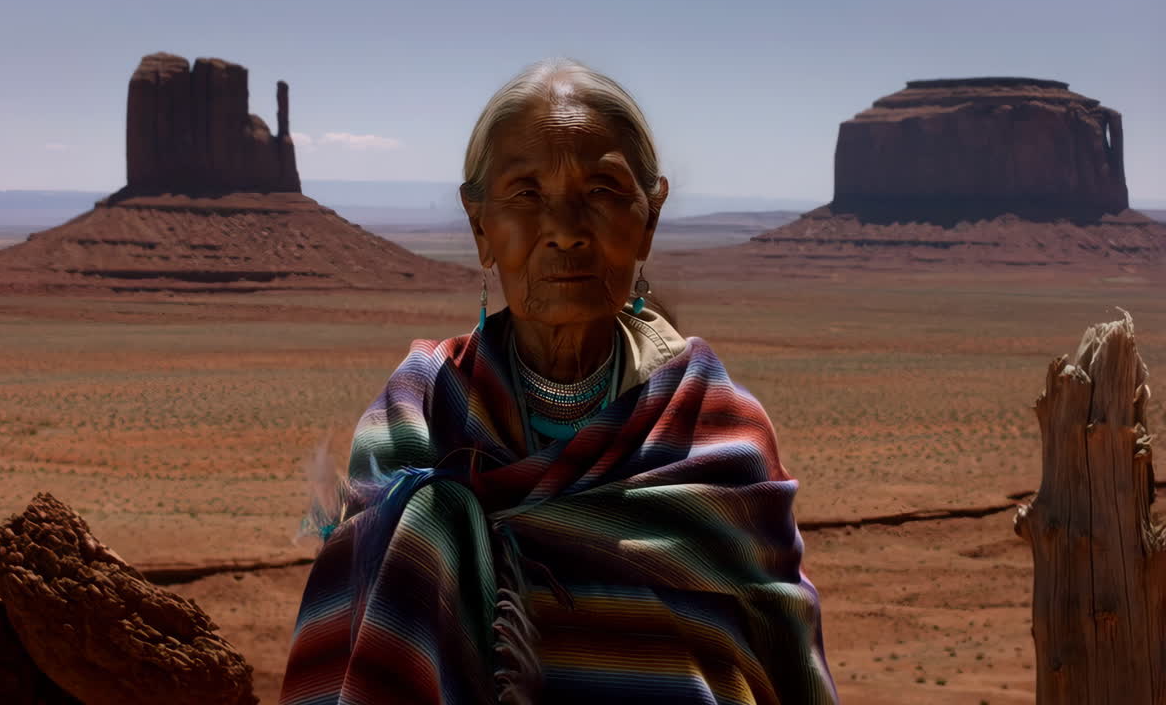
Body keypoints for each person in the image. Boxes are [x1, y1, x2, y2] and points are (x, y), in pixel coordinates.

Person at [278, 57, 838, 705]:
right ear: (479, 225)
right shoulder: (417, 416)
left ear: (649, 217)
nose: (566, 232)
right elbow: (362, 647)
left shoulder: (719, 431)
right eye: (526, 193)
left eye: (601, 191)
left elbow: (786, 667)